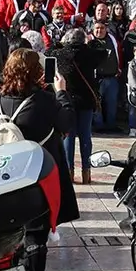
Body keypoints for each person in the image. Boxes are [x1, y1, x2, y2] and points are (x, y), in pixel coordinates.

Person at [0, 49, 80, 271]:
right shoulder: (45, 100)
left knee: (7, 238)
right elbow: (67, 122)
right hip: (36, 180)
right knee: (35, 239)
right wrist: (62, 92)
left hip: (3, 181)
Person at [50, 29, 99, 183]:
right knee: (85, 136)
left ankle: (69, 172)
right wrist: (91, 42)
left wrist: (59, 44)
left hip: (67, 99)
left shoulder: (60, 54)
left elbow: (48, 52)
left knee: (68, 136)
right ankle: (86, 173)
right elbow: (102, 53)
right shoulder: (90, 53)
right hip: (86, 100)